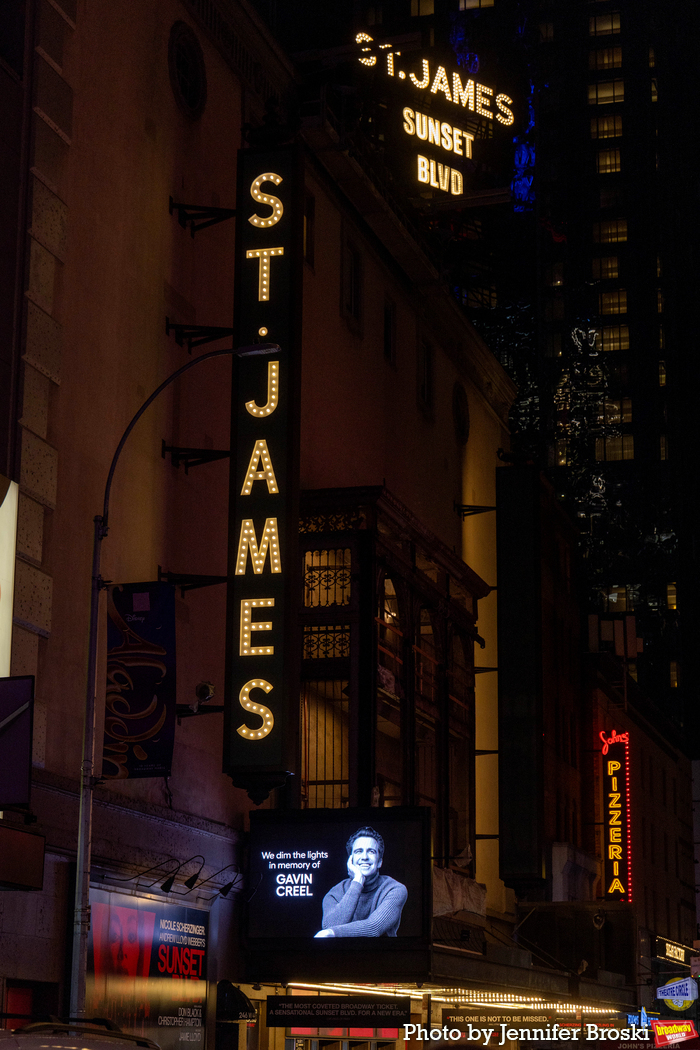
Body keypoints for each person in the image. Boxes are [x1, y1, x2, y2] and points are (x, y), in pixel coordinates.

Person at [314, 826, 407, 937]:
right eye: (358, 851)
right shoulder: (335, 893)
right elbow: (330, 926)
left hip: (383, 954)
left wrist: (334, 932)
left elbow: (373, 928)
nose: (364, 857)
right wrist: (357, 882)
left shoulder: (395, 889)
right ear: (350, 860)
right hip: (341, 954)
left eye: (371, 852)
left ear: (379, 862)